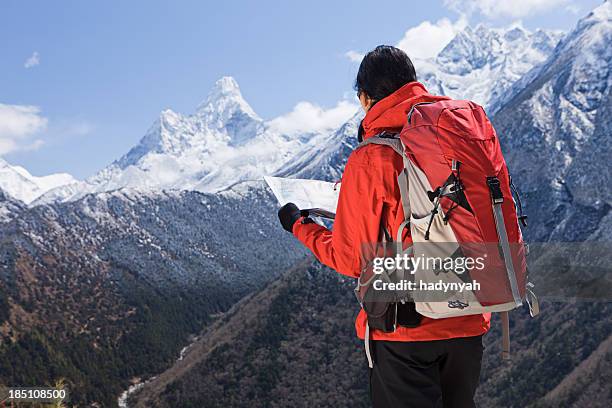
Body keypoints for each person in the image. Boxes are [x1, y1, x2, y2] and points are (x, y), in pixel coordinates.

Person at [277, 45, 490, 408]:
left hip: (406, 328)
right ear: (413, 83)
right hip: (469, 316)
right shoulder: (457, 134)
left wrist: (299, 225)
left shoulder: (372, 156)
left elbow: (348, 257)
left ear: (365, 98)